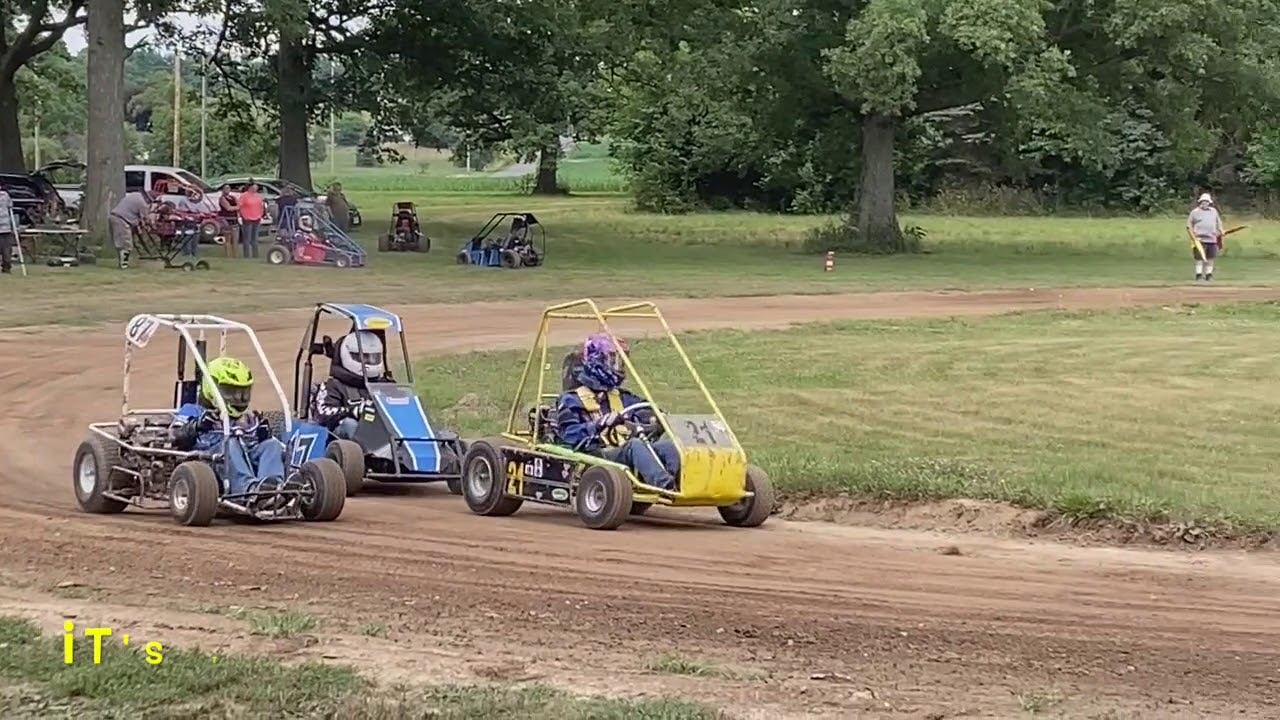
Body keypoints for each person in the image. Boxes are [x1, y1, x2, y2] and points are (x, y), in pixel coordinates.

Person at [554, 334, 681, 490]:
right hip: (594, 454)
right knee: (634, 446)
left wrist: (657, 417)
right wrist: (597, 425)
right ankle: (665, 486)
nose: (618, 366)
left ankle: (681, 481)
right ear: (596, 361)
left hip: (620, 451)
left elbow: (643, 409)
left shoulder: (621, 396)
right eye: (613, 361)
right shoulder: (571, 399)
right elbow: (569, 435)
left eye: (621, 361)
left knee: (670, 446)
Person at [170, 356, 291, 509]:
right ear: (211, 388)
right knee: (230, 444)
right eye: (231, 392)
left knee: (271, 445)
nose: (238, 399)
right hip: (209, 461)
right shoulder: (192, 410)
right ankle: (247, 491)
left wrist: (263, 434)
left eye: (242, 393)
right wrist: (197, 426)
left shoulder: (245, 418)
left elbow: (254, 445)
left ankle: (273, 488)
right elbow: (173, 437)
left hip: (241, 456)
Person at [312, 331, 392, 440]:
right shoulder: (334, 385)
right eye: (364, 357)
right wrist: (352, 411)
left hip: (380, 439)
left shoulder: (383, 385)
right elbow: (322, 415)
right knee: (350, 424)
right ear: (347, 355)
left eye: (374, 357)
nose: (369, 361)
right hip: (340, 444)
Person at [109, 190, 153, 269]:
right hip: (122, 219)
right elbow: (145, 217)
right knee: (126, 243)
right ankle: (123, 264)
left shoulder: (135, 194)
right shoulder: (142, 203)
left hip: (115, 216)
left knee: (121, 242)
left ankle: (123, 262)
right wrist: (150, 225)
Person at [1187, 192, 1225, 281]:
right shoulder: (1195, 212)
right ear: (1200, 202)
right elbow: (1189, 225)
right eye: (1203, 201)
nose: (1205, 203)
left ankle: (1209, 275)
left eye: (1207, 201)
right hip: (1199, 239)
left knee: (1211, 258)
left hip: (1212, 239)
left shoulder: (1213, 211)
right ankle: (1199, 275)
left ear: (1209, 202)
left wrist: (1221, 230)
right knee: (1199, 258)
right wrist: (1193, 237)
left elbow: (1218, 222)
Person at [238, 181, 265, 258]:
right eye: (254, 187)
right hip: (247, 218)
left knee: (255, 238)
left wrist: (261, 214)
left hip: (257, 218)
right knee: (247, 238)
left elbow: (261, 205)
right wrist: (243, 215)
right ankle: (246, 255)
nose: (255, 188)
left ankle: (255, 255)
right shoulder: (244, 196)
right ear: (250, 187)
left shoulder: (258, 196)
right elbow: (240, 206)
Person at [0, 184, 14, 274]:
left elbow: (10, 206)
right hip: (5, 227)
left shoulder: (5, 195)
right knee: (6, 248)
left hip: (5, 227)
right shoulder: (5, 195)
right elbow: (11, 205)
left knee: (6, 249)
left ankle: (6, 266)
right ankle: (6, 266)